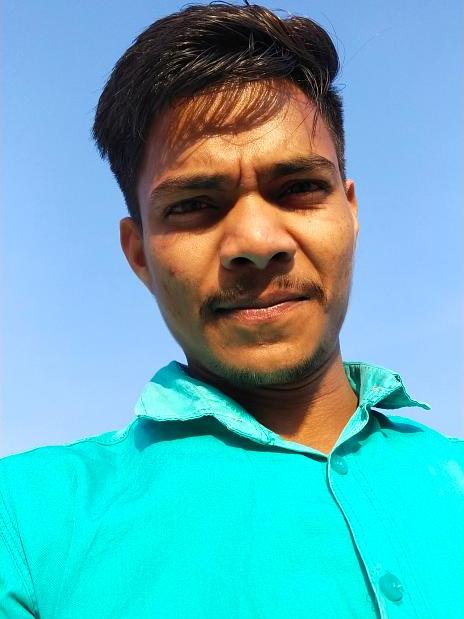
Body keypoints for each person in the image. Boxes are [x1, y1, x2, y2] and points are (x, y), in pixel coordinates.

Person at [1, 3, 463, 618]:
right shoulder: (25, 523)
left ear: (350, 213)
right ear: (139, 254)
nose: (257, 242)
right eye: (194, 204)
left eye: (299, 188)